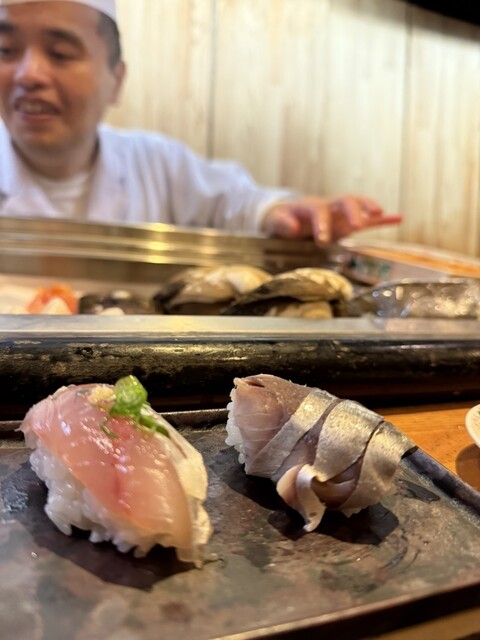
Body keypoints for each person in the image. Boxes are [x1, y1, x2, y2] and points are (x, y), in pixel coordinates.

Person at [0, 0, 402, 246]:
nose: (28, 74)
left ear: (116, 81)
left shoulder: (156, 163)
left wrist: (284, 211)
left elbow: (238, 203)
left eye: (61, 53)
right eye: (5, 50)